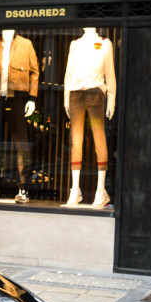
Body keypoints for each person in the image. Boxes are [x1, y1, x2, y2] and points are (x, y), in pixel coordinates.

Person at [0, 29, 39, 203]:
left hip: (18, 96)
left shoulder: (26, 44)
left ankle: (24, 187)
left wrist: (32, 98)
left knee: (21, 143)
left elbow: (34, 72)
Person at [63, 27, 116, 208]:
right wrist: (66, 98)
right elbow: (68, 74)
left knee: (99, 138)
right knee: (76, 140)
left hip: (96, 95)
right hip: (76, 96)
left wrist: (112, 99)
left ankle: (101, 190)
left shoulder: (104, 44)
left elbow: (110, 73)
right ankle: (75, 189)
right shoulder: (75, 45)